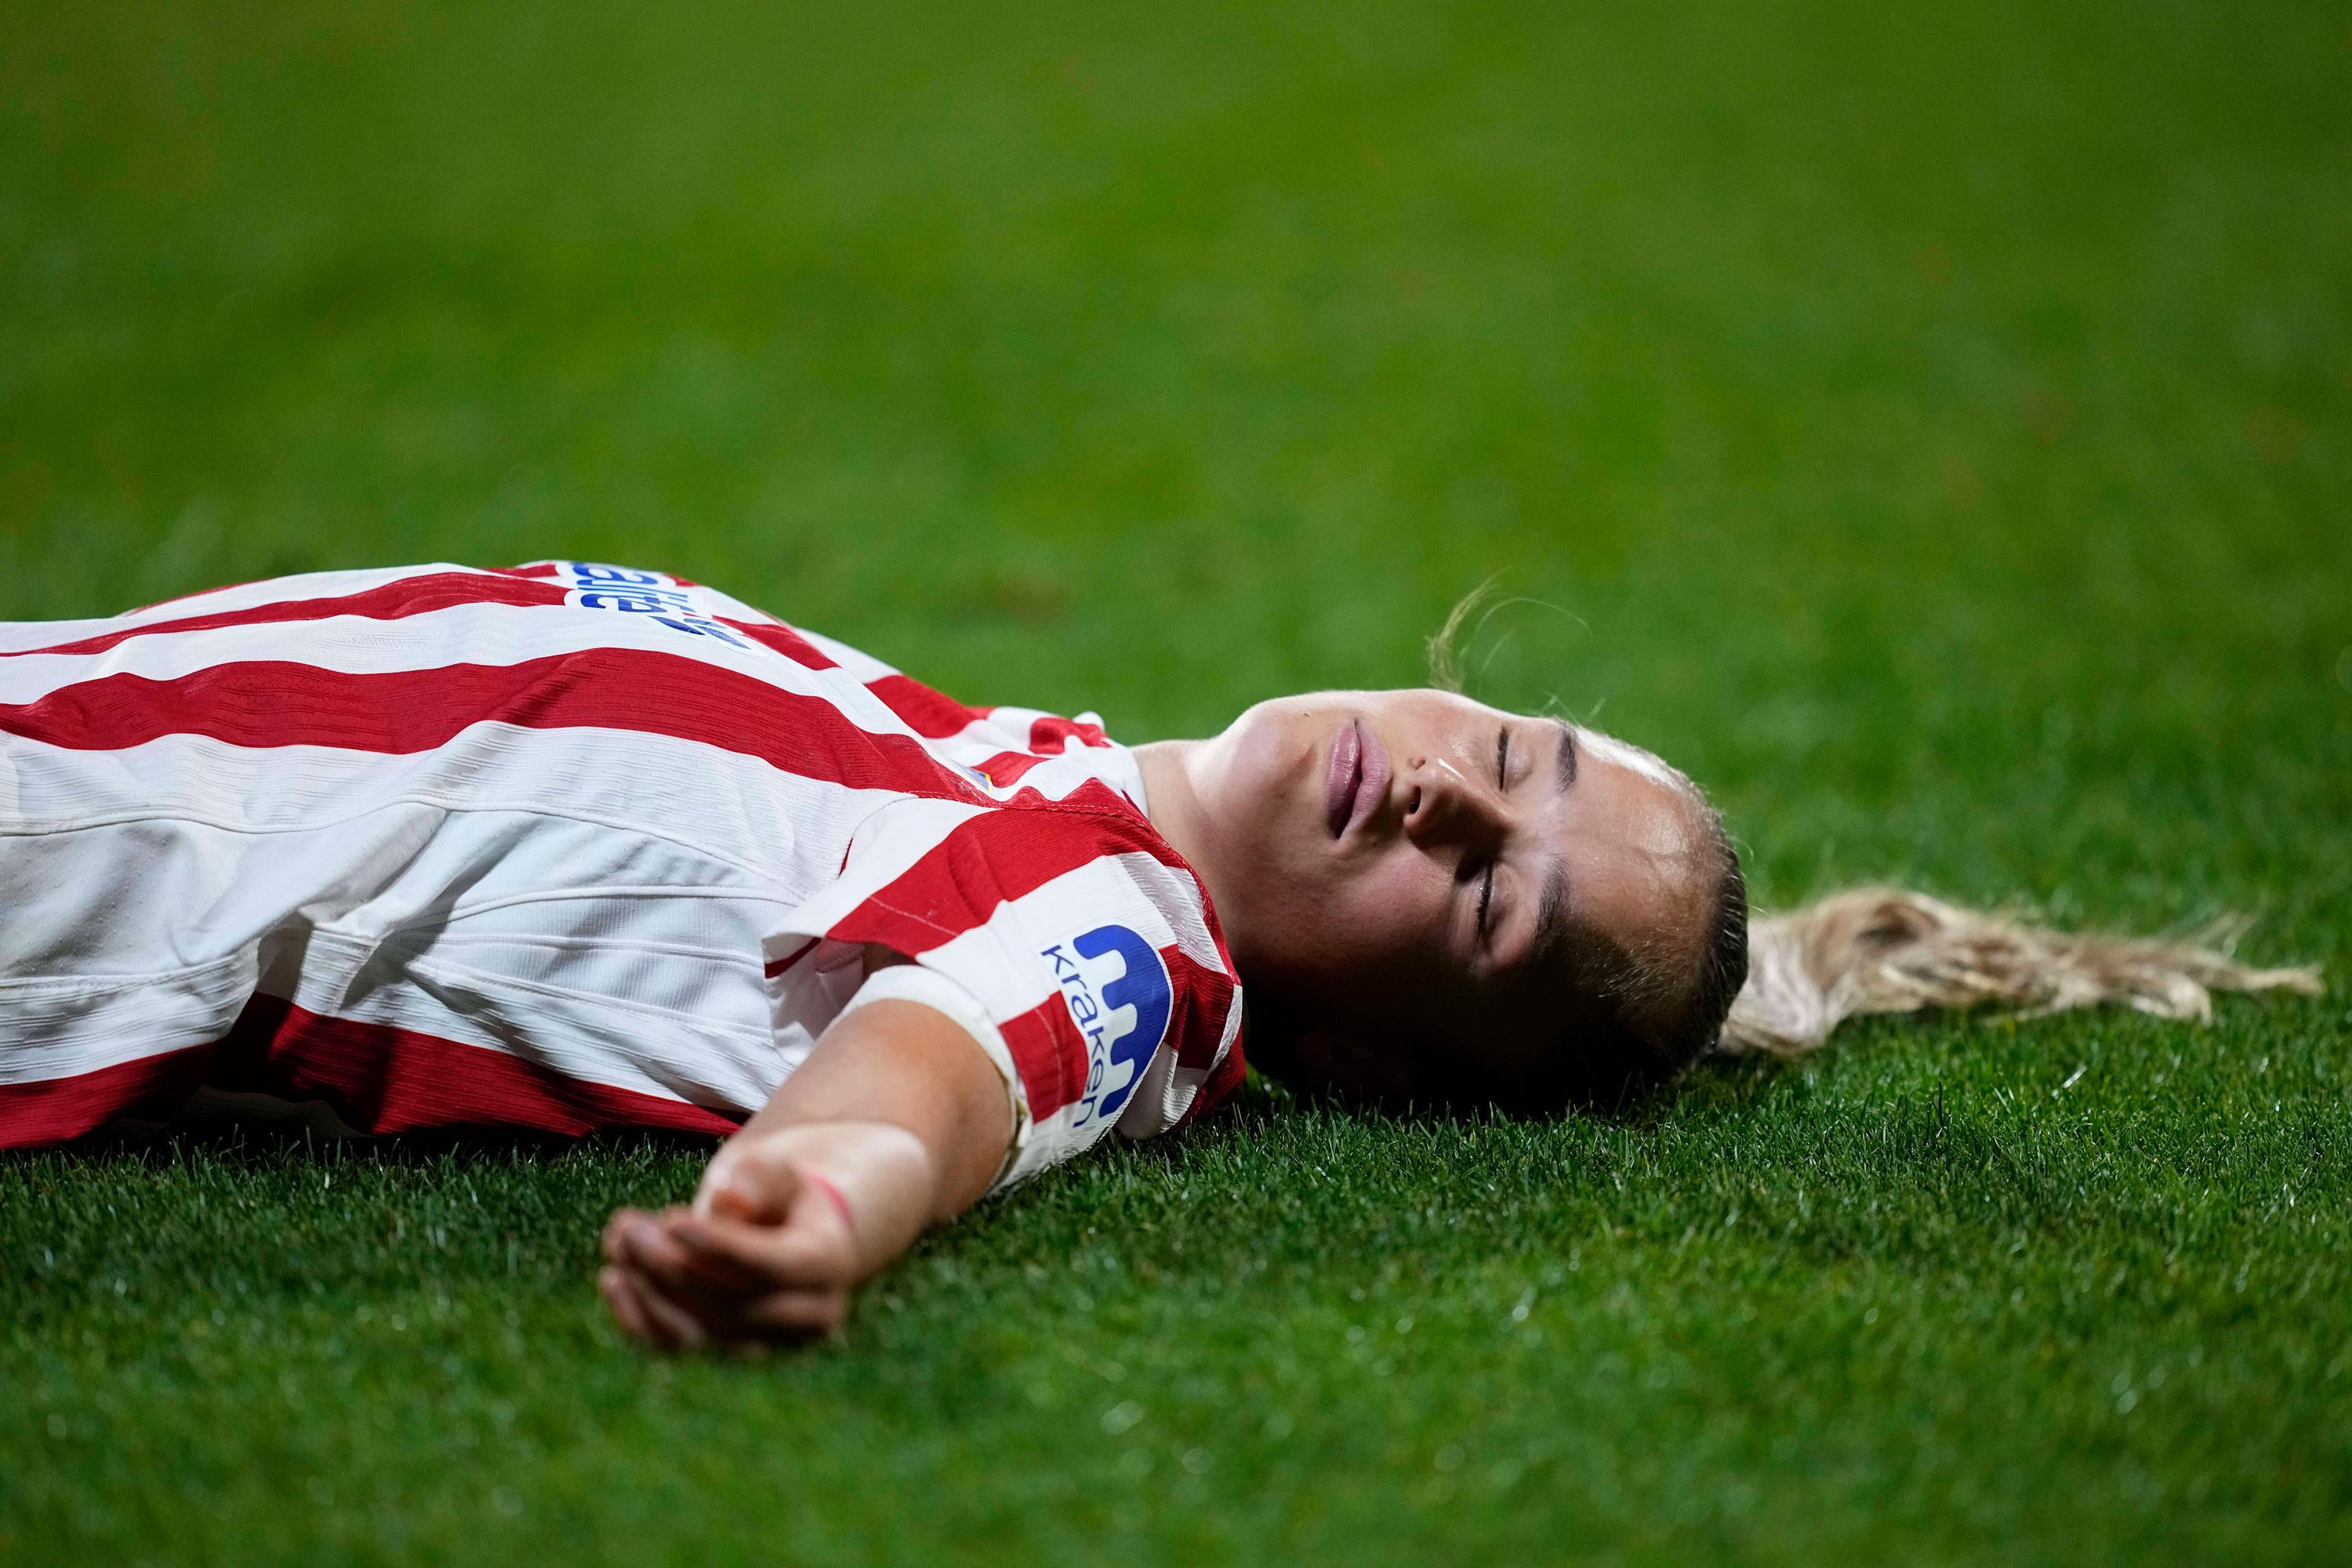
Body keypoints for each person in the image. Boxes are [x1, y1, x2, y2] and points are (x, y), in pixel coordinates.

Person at [0, 561, 2315, 1350]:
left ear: (1382, 1070)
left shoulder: (1131, 948)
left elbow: (957, 1062)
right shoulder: (1021, 764)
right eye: (1514, 753)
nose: (1449, 793)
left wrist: (824, 1199)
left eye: (1485, 894)